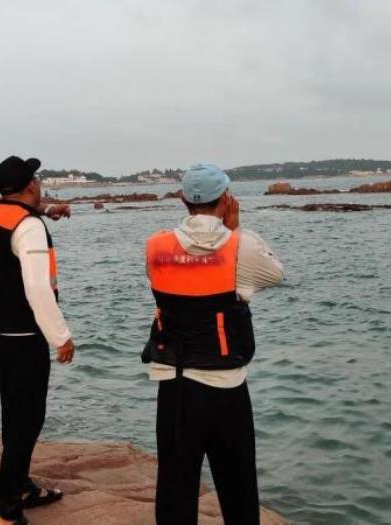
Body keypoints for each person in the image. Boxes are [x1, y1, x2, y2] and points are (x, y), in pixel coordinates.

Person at [142, 163, 284, 524]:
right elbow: (275, 274)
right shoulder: (240, 246)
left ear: (182, 199)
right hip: (225, 385)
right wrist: (235, 229)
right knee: (238, 484)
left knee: (175, 485)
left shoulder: (156, 246)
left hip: (173, 382)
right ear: (226, 199)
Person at [0, 155, 75, 525]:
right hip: (22, 336)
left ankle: (20, 486)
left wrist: (46, 210)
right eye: (36, 179)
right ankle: (6, 512)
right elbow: (37, 288)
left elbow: (17, 218)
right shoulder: (28, 227)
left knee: (13, 414)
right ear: (31, 185)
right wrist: (61, 337)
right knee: (27, 421)